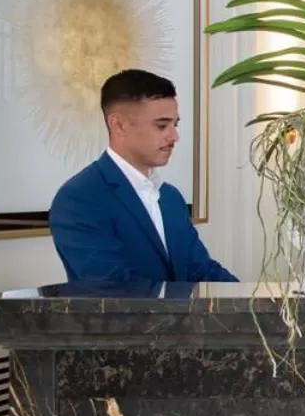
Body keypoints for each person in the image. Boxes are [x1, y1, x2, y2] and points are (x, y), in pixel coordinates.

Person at [48, 69, 237, 283]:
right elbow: (115, 289)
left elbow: (202, 271)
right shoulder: (79, 200)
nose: (174, 136)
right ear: (119, 125)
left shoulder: (170, 197)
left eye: (175, 124)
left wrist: (257, 299)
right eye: (162, 125)